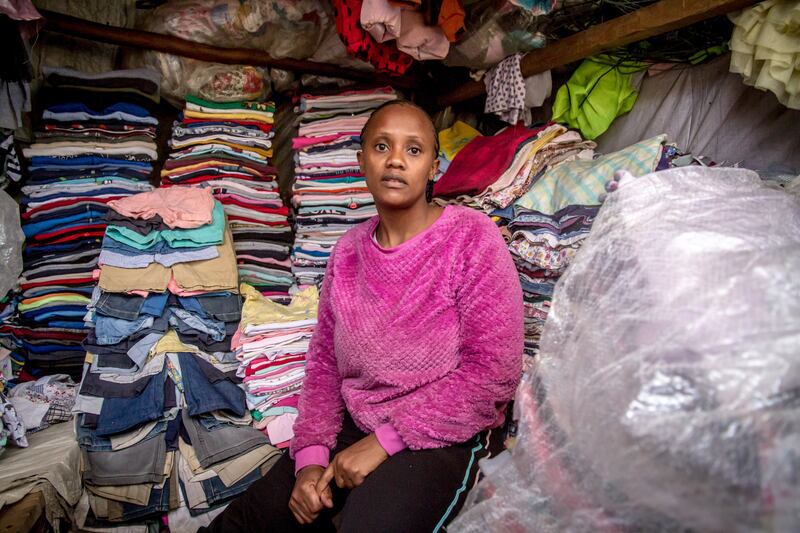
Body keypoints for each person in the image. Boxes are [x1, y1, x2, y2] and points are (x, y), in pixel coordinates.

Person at [202, 100, 523, 532]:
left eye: (413, 150)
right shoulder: (348, 252)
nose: (395, 159)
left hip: (444, 434)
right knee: (246, 522)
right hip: (359, 423)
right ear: (362, 162)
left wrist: (386, 442)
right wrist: (311, 459)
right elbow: (324, 365)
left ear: (433, 167)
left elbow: (493, 374)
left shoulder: (471, 238)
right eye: (381, 146)